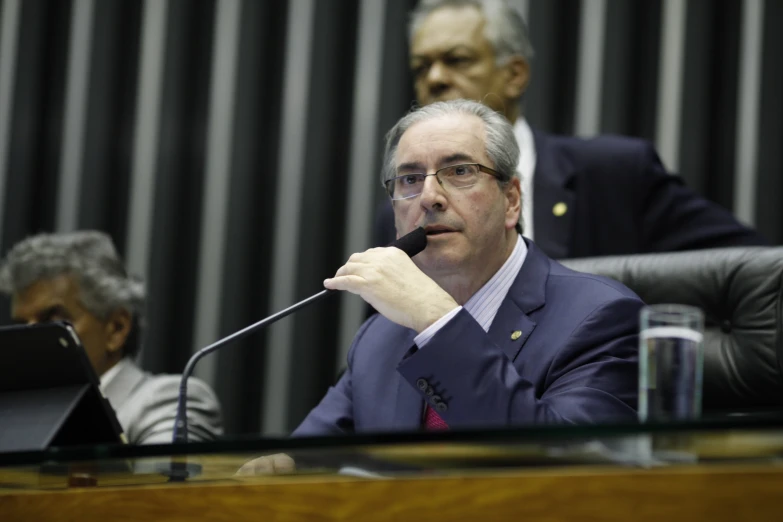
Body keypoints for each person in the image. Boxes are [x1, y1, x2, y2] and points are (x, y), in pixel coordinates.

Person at [239, 99, 642, 474]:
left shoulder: (602, 318)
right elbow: (305, 462)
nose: (429, 197)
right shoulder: (381, 335)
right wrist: (277, 471)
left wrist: (439, 322)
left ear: (512, 200)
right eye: (410, 179)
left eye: (460, 171)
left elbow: (564, 469)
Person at [374, 0, 767, 258]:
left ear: (515, 75)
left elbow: (745, 270)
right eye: (421, 67)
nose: (436, 78)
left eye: (457, 60)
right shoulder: (407, 208)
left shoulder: (614, 174)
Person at [0, 231, 223, 444]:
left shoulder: (168, 400)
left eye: (53, 321)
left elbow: (159, 481)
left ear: (116, 328)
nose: (30, 339)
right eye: (21, 326)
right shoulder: (13, 414)